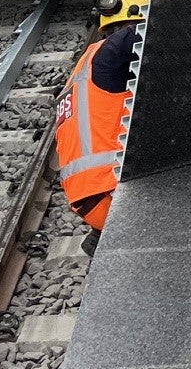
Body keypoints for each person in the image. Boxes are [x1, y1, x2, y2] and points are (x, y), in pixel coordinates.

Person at [55, 20, 140, 236]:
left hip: (92, 198)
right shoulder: (109, 56)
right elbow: (148, 29)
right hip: (110, 195)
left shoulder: (83, 72)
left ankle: (96, 238)